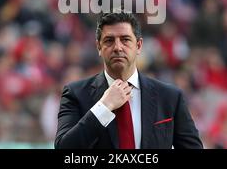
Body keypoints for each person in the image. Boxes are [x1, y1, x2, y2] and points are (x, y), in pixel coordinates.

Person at [55, 9, 203, 149]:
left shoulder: (170, 97)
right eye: (109, 40)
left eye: (125, 39)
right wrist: (104, 107)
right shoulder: (75, 94)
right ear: (98, 47)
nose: (117, 47)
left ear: (138, 46)